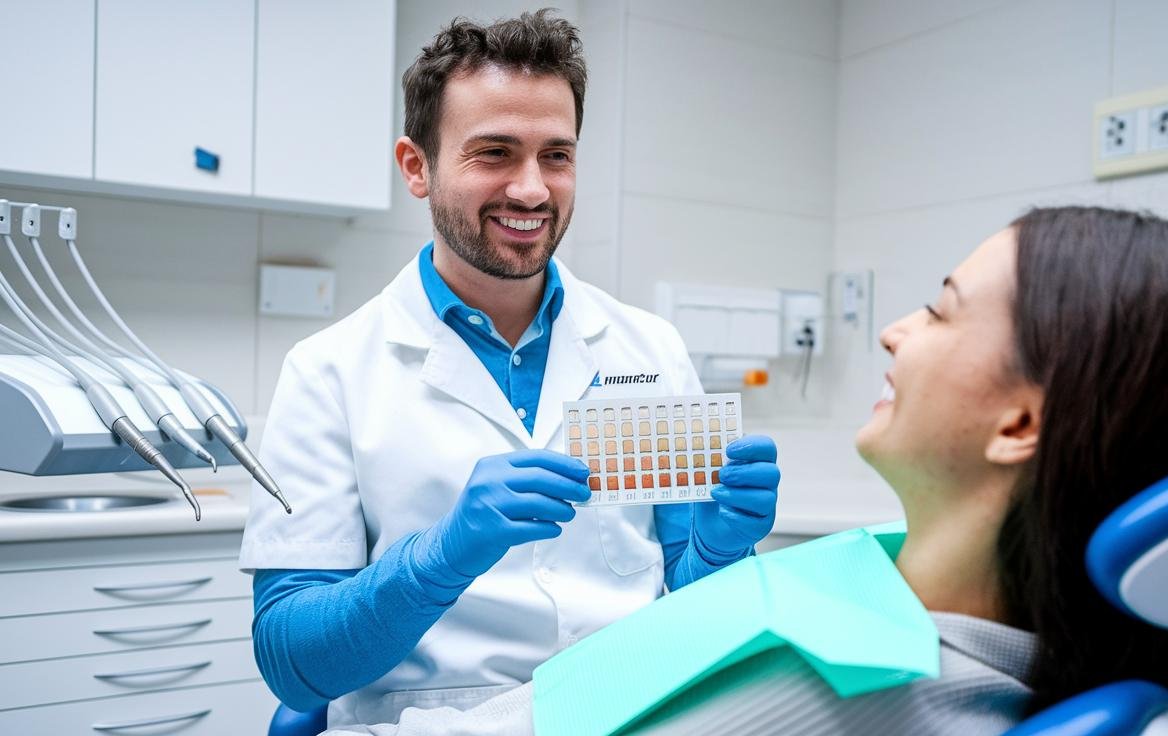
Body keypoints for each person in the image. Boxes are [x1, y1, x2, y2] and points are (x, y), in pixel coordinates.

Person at [322, 206, 1168, 735]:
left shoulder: (834, 687)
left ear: (1018, 422)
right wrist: (704, 565)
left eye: (940, 309)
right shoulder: (902, 606)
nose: (891, 330)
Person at [239, 10, 781, 728]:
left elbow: (687, 609)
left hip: (630, 711)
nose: (532, 190)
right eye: (494, 153)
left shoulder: (649, 350)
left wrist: (717, 555)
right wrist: (438, 559)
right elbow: (292, 661)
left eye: (556, 156)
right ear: (416, 166)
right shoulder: (328, 372)